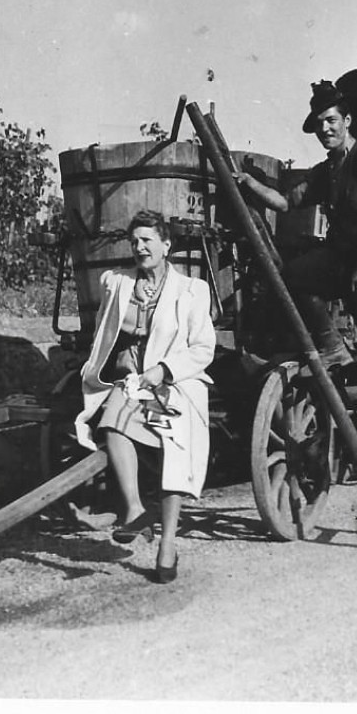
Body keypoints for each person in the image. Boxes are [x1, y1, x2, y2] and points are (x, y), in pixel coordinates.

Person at [234, 80, 357, 454]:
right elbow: (283, 202)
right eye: (319, 124)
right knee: (293, 276)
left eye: (330, 121)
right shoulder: (327, 170)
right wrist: (247, 183)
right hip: (344, 257)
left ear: (347, 120)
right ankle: (332, 347)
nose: (325, 130)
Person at [72, 210, 216, 583]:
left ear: (167, 245)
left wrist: (163, 370)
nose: (139, 247)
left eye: (147, 240)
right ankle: (135, 510)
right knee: (112, 422)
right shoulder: (117, 282)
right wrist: (115, 364)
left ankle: (168, 543)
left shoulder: (192, 290)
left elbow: (202, 349)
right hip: (133, 381)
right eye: (134, 241)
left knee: (174, 449)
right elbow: (105, 330)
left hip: (176, 383)